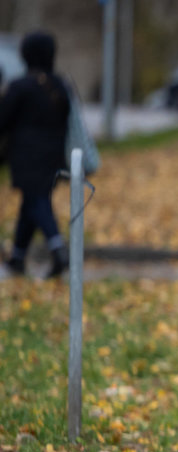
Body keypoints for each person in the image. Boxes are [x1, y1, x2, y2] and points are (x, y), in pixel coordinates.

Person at [1, 31, 71, 279]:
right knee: (31, 204)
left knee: (37, 201)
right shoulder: (60, 85)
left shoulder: (21, 86)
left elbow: (3, 120)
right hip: (54, 157)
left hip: (25, 157)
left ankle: (58, 248)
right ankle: (18, 259)